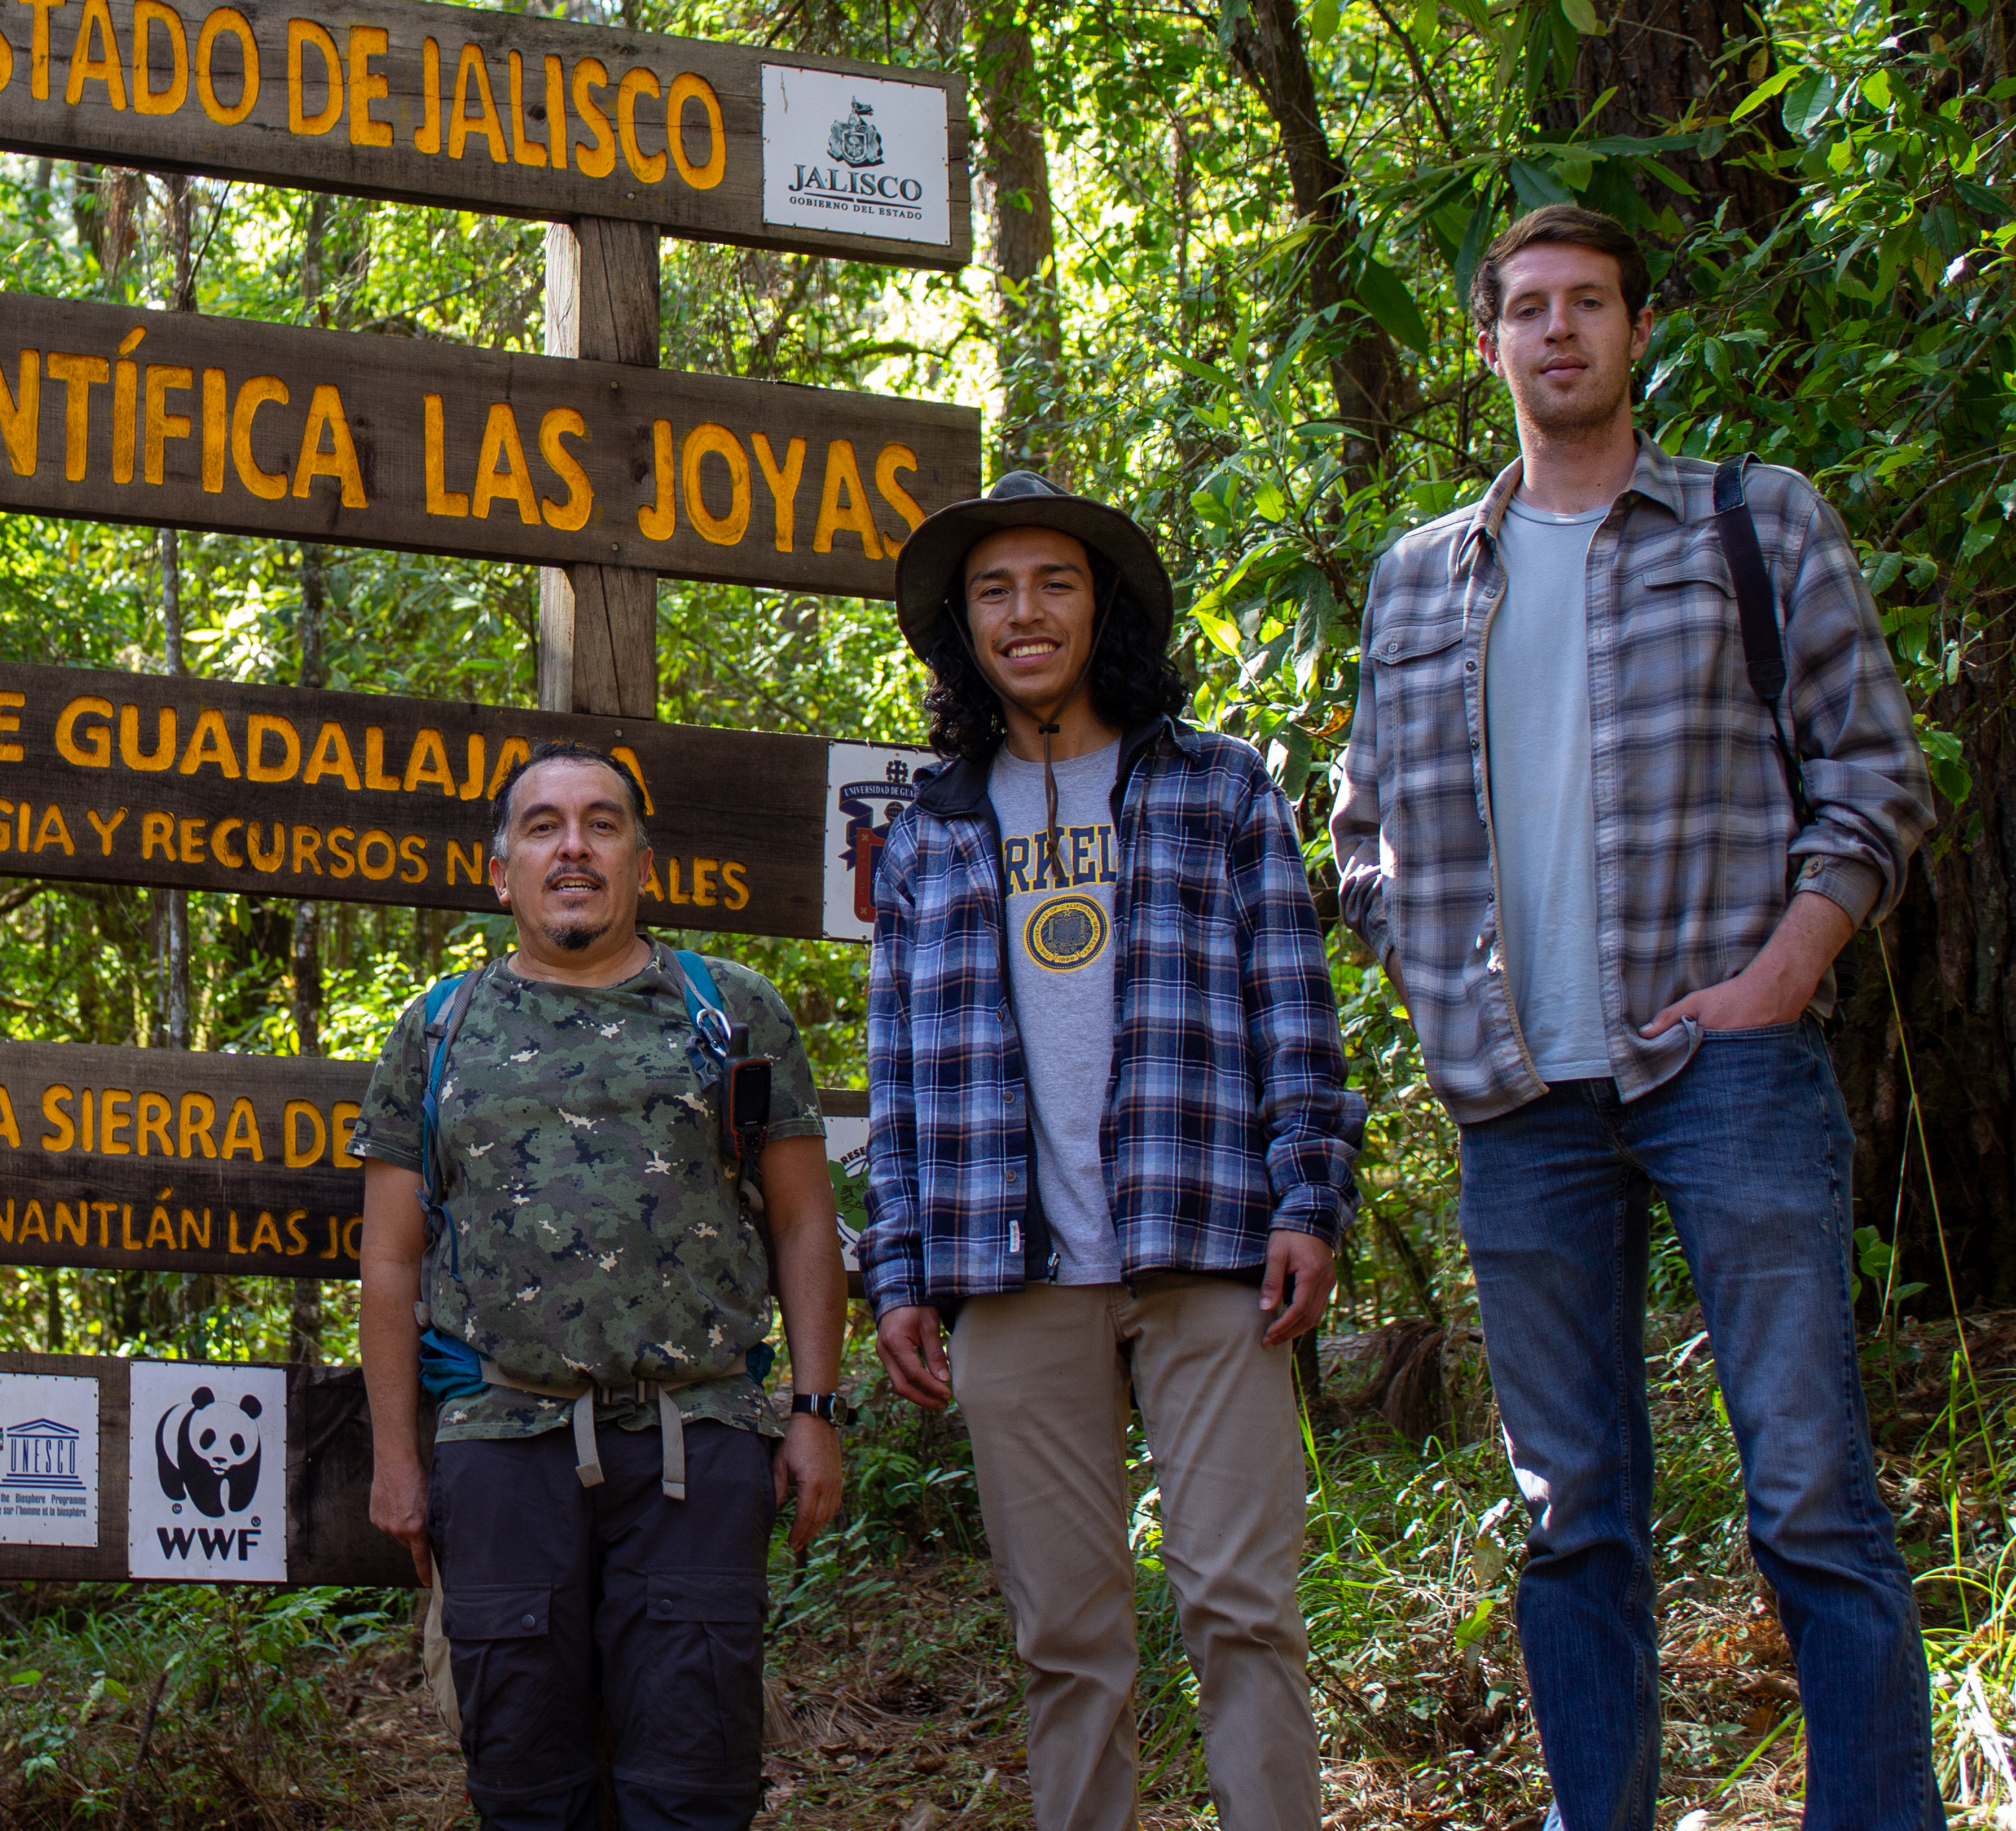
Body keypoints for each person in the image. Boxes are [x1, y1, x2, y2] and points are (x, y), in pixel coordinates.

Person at [1330, 202, 1941, 1831]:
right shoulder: (1415, 581)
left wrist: (1786, 974)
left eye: (1587, 304)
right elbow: (1361, 826)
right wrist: (1432, 970)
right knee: (1572, 1513)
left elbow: (1876, 773)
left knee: (1812, 1496)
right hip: (1519, 1104)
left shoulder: (1755, 522)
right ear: (1487, 345)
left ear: (1636, 329)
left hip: (1723, 1065)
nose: (1557, 334)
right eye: (1525, 309)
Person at [862, 471, 1361, 1831]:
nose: (1024, 615)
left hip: (1206, 1244)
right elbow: (897, 1076)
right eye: (994, 591)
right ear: (963, 628)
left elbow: (1293, 1010)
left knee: (1241, 1606)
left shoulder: (1219, 786)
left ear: (1104, 609)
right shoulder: (927, 834)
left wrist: (1311, 1195)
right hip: (1010, 1274)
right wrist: (897, 1270)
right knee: (1065, 1638)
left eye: (1055, 583)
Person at [357, 741, 846, 1831]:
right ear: (501, 872)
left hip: (701, 1442)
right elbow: (389, 1259)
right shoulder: (437, 1029)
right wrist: (398, 1460)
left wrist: (814, 1414)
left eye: (601, 824)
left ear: (641, 860)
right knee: (528, 1789)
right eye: (543, 826)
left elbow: (808, 1222)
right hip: (499, 1449)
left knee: (693, 1786)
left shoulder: (733, 1012)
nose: (572, 847)